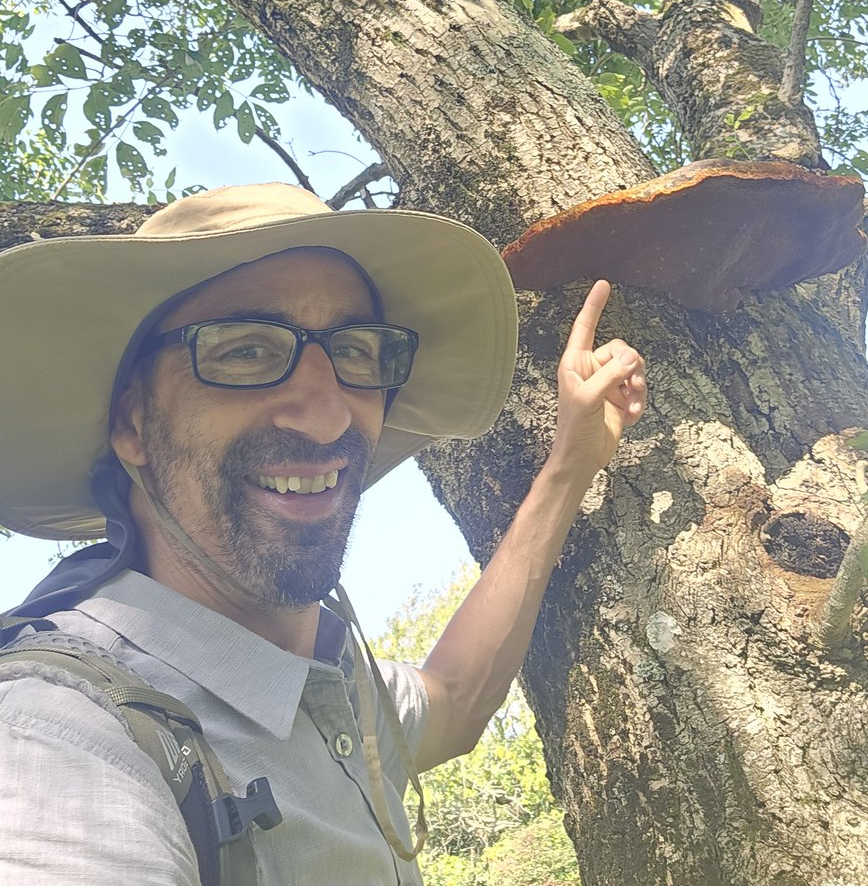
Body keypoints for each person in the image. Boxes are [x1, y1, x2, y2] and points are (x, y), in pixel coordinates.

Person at [0, 182, 645, 884]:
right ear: (132, 424)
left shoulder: (332, 684)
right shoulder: (57, 734)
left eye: (356, 350)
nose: (327, 417)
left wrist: (572, 465)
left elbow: (454, 701)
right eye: (244, 351)